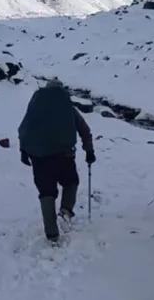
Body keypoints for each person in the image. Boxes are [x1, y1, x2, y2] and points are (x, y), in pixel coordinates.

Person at [18, 79, 95, 242]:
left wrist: (23, 151)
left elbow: (24, 129)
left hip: (39, 157)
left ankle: (52, 234)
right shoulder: (67, 108)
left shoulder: (36, 107)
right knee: (71, 182)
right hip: (63, 155)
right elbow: (84, 130)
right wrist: (89, 151)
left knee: (46, 192)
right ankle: (65, 212)